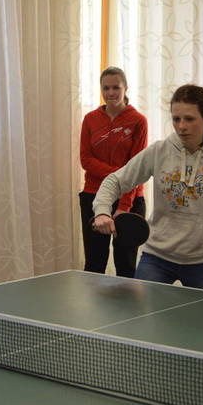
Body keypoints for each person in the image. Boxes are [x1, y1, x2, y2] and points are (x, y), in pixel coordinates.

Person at [92, 85, 203, 292]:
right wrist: (102, 212)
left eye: (189, 119)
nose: (181, 126)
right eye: (176, 119)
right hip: (157, 257)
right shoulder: (160, 150)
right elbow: (114, 181)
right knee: (141, 313)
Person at [79, 66, 148, 278]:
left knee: (126, 265)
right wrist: (118, 175)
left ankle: (126, 303)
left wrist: (124, 206)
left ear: (126, 88)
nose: (110, 93)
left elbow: (137, 168)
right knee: (94, 263)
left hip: (130, 199)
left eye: (116, 87)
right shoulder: (90, 119)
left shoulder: (138, 121)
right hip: (93, 196)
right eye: (105, 88)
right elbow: (86, 159)